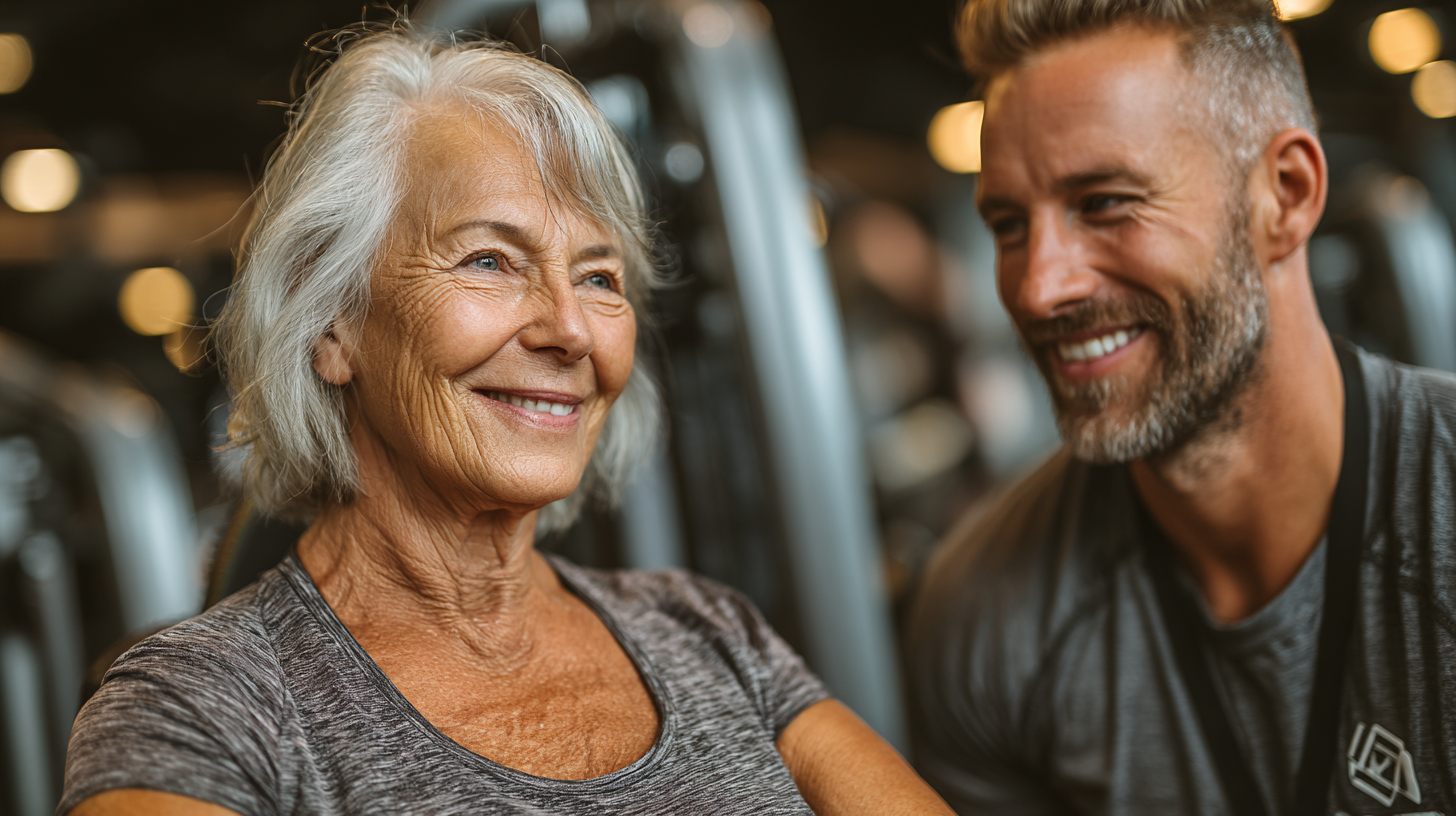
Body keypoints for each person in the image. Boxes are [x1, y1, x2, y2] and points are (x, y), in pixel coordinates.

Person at [61, 25, 953, 816]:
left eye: (600, 278)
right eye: (490, 260)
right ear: (331, 325)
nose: (569, 329)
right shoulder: (201, 707)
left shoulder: (708, 633)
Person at [906, 0, 1456, 813]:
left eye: (1104, 202)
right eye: (1009, 225)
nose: (1038, 286)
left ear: (1286, 195)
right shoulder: (983, 617)